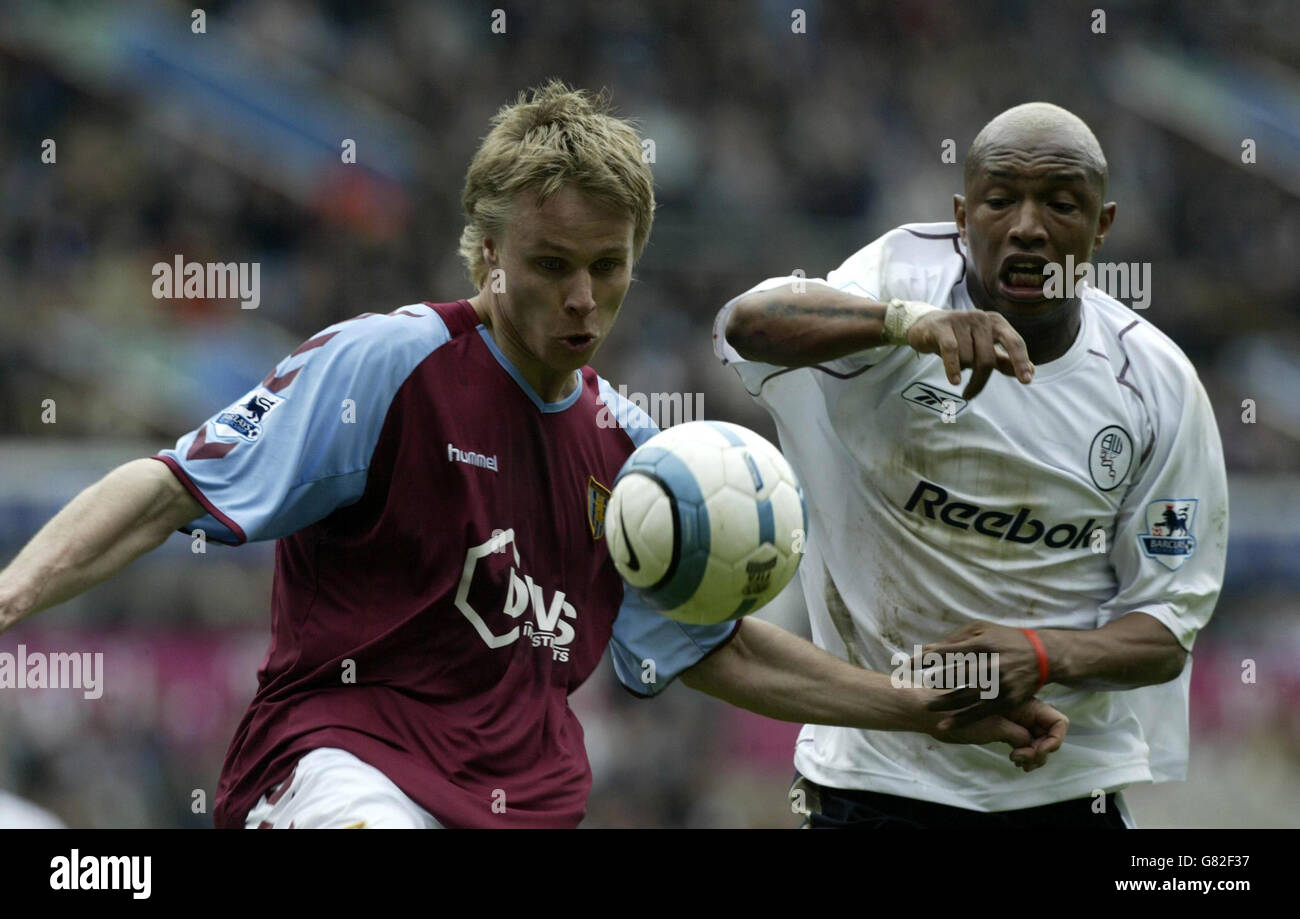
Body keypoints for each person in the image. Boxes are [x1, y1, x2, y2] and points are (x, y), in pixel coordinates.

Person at [0, 83, 1066, 829]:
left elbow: (711, 648)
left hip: (527, 801)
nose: (582, 298)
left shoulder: (639, 458)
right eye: (549, 264)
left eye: (607, 267)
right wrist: (8, 599)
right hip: (338, 771)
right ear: (484, 252)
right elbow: (162, 490)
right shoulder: (390, 364)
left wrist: (920, 707)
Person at [715, 102, 1227, 829]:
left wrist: (1041, 655)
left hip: (1062, 788)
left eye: (1060, 203)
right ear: (962, 215)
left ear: (1102, 226)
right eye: (999, 200)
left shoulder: (1157, 386)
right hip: (874, 777)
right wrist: (905, 325)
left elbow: (1165, 631)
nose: (1027, 225)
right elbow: (750, 324)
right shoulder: (899, 277)